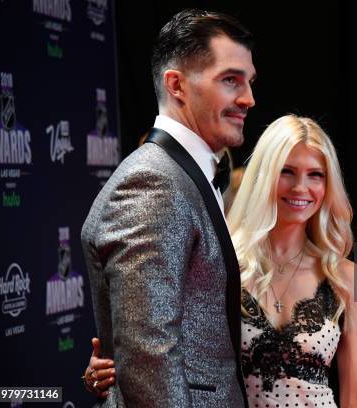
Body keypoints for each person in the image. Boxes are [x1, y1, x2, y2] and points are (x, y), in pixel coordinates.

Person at [84, 115, 357, 407]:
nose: (301, 187)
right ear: (264, 175)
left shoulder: (346, 277)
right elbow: (160, 349)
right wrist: (116, 373)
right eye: (287, 171)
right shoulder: (221, 261)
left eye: (316, 174)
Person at [81, 9, 256, 407]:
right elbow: (147, 357)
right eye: (231, 80)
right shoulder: (154, 182)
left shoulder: (185, 174)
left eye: (249, 81)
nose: (248, 98)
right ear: (176, 85)